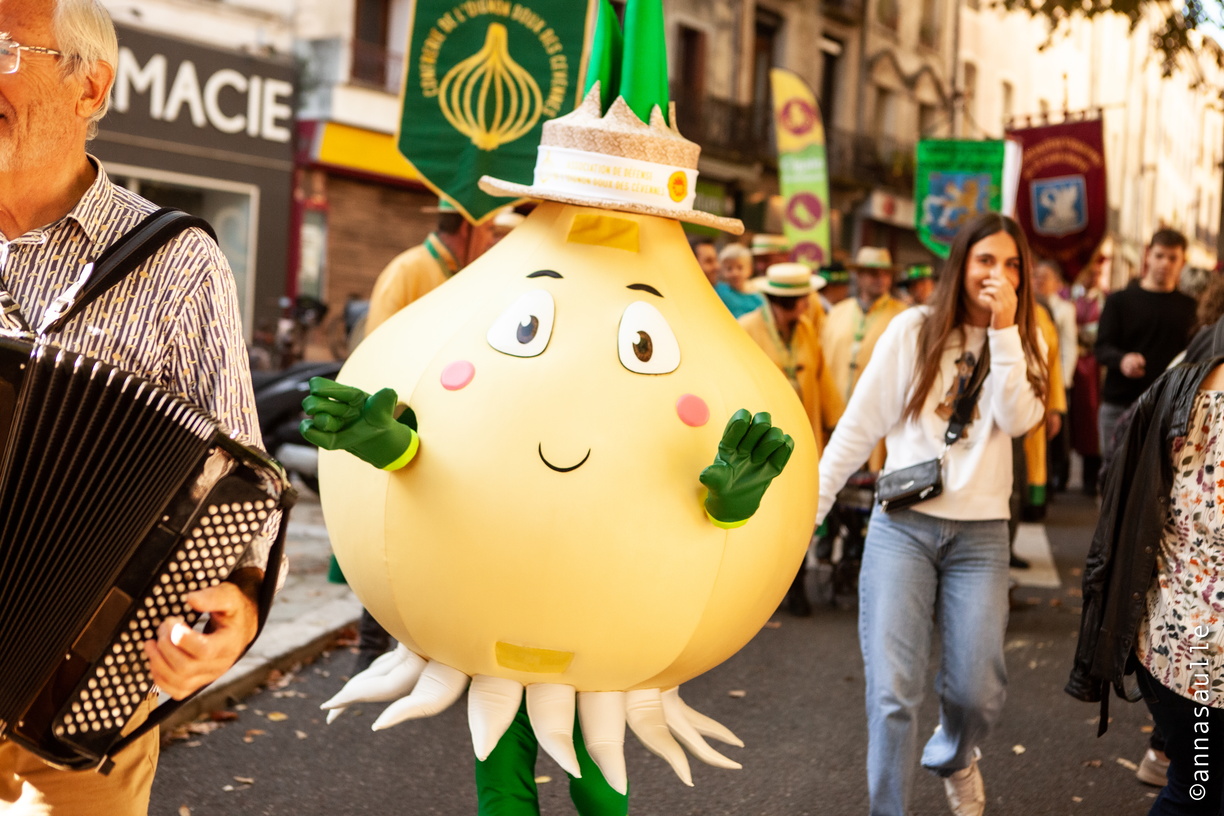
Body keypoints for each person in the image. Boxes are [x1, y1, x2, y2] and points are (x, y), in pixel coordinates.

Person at [0, 1, 275, 813]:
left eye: (4, 50)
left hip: (71, 702)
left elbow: (242, 487)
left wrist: (243, 605)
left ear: (89, 87)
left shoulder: (177, 265)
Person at [817, 213, 1048, 816]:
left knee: (976, 691)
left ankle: (955, 754)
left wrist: (1004, 332)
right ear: (961, 264)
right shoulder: (912, 329)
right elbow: (859, 425)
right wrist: (812, 507)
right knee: (893, 692)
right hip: (903, 529)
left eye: (1012, 265)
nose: (998, 274)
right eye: (986, 260)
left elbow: (1019, 419)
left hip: (981, 537)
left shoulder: (1026, 341)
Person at [1067, 353, 1224, 816]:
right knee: (1198, 791)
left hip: (1178, 646)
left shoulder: (1180, 384)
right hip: (1196, 654)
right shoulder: (1182, 389)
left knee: (1198, 790)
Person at [738, 263, 844, 616]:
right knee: (763, 516)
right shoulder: (746, 328)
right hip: (762, 440)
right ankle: (758, 591)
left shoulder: (807, 330)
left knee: (797, 518)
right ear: (784, 301)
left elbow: (821, 376)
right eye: (801, 300)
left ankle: (795, 586)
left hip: (802, 440)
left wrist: (836, 424)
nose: (805, 306)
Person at [1094, 229, 1197, 469]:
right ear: (1148, 255)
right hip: (1120, 403)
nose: (1165, 263)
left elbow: (1193, 355)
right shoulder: (1119, 301)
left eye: (1172, 258)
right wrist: (1122, 360)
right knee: (1113, 476)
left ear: (1182, 262)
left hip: (1167, 408)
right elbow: (1101, 347)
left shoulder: (1190, 307)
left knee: (1156, 480)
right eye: (1159, 255)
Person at [365, 201, 475, 335]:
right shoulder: (405, 270)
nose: (491, 241)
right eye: (490, 230)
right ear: (466, 227)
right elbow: (379, 339)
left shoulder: (466, 275)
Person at [1032, 257, 1076, 492]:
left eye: (1045, 277)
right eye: (1036, 276)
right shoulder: (1029, 305)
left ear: (1057, 283)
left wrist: (1064, 380)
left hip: (1057, 377)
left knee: (1058, 431)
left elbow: (1068, 347)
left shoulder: (1064, 309)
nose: (1039, 281)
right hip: (1038, 379)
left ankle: (1059, 474)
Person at [1069, 247, 1108, 494]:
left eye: (1096, 273)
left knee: (1091, 419)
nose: (1092, 277)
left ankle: (1090, 475)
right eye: (1088, 272)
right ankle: (1059, 472)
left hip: (1094, 367)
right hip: (1071, 363)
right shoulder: (1068, 296)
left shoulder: (1105, 299)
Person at [714, 243, 765, 318]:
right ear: (722, 271)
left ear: (750, 269)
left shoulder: (757, 298)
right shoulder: (718, 291)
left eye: (740, 268)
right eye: (729, 268)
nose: (735, 273)